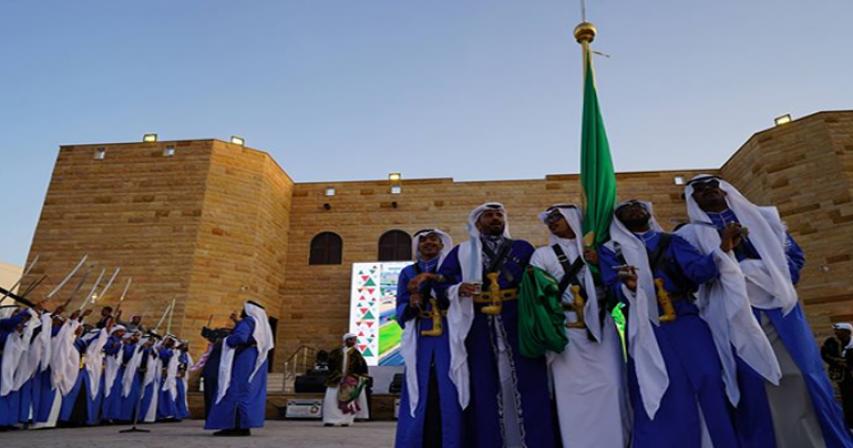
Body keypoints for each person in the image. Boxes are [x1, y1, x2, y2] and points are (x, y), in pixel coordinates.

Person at [685, 174, 853, 447]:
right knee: (754, 382)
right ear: (693, 200)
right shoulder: (688, 235)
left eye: (713, 187)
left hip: (780, 308)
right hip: (731, 310)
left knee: (802, 374)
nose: (708, 193)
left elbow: (794, 257)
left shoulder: (765, 219)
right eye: (700, 191)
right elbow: (692, 273)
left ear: (725, 190)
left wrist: (768, 275)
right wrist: (725, 251)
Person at [598, 200, 740, 447]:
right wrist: (627, 288)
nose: (633, 207)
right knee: (661, 385)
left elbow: (697, 271)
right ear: (617, 219)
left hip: (684, 316)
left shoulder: (670, 241)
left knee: (708, 375)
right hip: (645, 325)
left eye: (638, 205)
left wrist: (722, 250)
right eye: (626, 207)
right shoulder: (611, 249)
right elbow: (612, 289)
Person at [435, 202, 557, 447]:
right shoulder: (461, 251)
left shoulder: (522, 248)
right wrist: (458, 289)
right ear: (477, 223)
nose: (494, 219)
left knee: (530, 382)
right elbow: (441, 282)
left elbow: (539, 280)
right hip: (479, 323)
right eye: (488, 216)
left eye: (498, 215)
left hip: (518, 320)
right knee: (484, 385)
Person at [529, 204, 631, 447]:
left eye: (557, 217)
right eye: (549, 219)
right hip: (567, 333)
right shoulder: (541, 255)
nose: (552, 222)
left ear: (573, 218)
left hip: (602, 328)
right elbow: (537, 294)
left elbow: (617, 284)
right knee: (571, 395)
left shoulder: (600, 250)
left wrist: (599, 264)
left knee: (612, 385)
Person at [394, 228, 463, 448]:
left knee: (450, 383)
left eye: (434, 240)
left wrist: (433, 281)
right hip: (421, 334)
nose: (429, 243)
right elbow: (400, 305)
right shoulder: (407, 271)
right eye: (424, 241)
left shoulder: (450, 268)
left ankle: (452, 440)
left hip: (448, 332)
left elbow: (457, 286)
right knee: (418, 383)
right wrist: (412, 303)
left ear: (442, 244)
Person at [205, 300, 274, 436]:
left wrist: (225, 340)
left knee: (233, 389)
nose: (242, 311)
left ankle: (232, 426)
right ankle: (244, 425)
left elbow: (240, 338)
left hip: (245, 359)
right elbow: (253, 337)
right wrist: (237, 323)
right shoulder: (259, 323)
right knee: (248, 392)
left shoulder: (248, 321)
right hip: (256, 358)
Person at [323, 332, 370, 427]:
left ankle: (345, 421)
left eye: (354, 340)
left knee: (348, 400)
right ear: (346, 340)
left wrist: (356, 377)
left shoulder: (356, 354)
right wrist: (337, 375)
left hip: (350, 380)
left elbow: (362, 367)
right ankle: (330, 420)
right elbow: (330, 365)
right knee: (331, 399)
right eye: (351, 339)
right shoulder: (335, 352)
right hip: (336, 379)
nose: (353, 341)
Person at [175, 341, 192, 420]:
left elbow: (190, 365)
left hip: (183, 378)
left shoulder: (186, 354)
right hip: (176, 377)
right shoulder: (177, 353)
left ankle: (182, 412)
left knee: (182, 395)